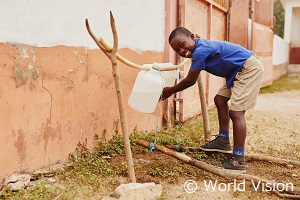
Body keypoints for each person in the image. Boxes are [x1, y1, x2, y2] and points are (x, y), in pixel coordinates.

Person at [161, 27, 264, 173]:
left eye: (182, 45)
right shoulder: (200, 47)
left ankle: (238, 160)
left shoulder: (200, 51)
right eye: (177, 50)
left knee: (236, 113)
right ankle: (223, 141)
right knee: (220, 100)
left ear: (191, 37)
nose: (182, 51)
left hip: (248, 69)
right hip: (236, 71)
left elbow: (190, 80)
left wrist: (169, 90)